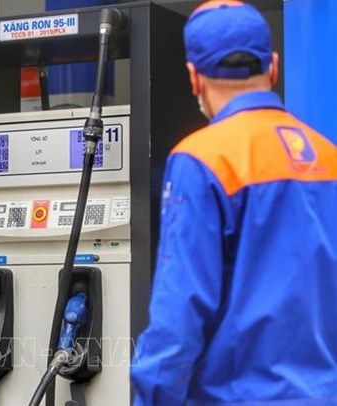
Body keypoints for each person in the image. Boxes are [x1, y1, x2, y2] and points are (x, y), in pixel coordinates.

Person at [131, 1, 337, 405]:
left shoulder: (202, 160)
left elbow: (178, 323)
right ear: (273, 67)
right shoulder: (328, 157)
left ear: (194, 79)